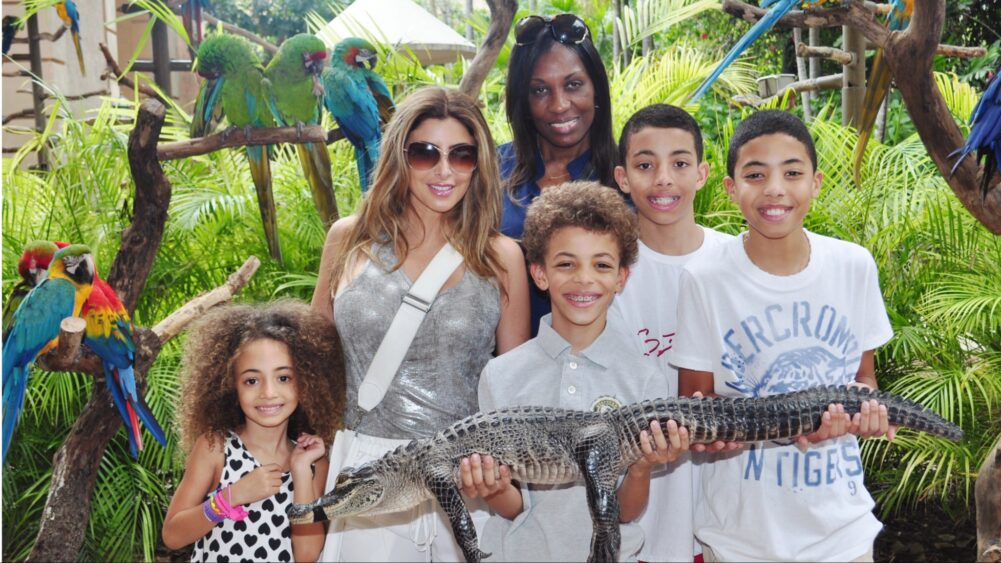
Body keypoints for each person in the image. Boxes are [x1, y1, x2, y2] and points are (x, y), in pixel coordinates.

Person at [310, 86, 530, 561]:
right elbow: (316, 367)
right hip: (368, 477)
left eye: (462, 155)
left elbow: (511, 395)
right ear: (399, 157)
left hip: (466, 479)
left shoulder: (501, 257)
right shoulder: (348, 240)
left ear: (480, 163)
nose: (445, 170)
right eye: (426, 153)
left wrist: (505, 485)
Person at [670, 110, 897, 562]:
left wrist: (861, 413)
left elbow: (864, 379)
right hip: (739, 540)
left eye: (792, 172)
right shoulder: (703, 278)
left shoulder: (853, 265)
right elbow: (692, 407)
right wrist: (709, 434)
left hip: (840, 532)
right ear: (732, 188)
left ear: (816, 181)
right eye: (756, 174)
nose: (774, 188)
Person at [476, 180, 689, 561]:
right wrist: (491, 487)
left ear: (621, 278)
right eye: (566, 263)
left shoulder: (645, 378)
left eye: (601, 264)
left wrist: (641, 468)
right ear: (539, 274)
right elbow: (513, 507)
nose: (584, 279)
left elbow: (626, 512)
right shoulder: (501, 375)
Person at [608, 104, 734, 562]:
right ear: (623, 177)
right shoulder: (606, 276)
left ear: (701, 173)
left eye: (679, 163)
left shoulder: (736, 262)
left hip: (731, 517)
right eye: (646, 165)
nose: (663, 178)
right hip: (646, 521)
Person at [162, 300, 345, 563]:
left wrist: (301, 472)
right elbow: (172, 535)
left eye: (283, 377)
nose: (268, 393)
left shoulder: (314, 462)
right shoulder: (216, 447)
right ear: (230, 387)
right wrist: (231, 497)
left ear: (306, 382)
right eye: (251, 380)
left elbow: (306, 555)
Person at [501, 13, 619, 336]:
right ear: (523, 100)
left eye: (573, 84)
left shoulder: (627, 176)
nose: (559, 104)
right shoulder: (490, 171)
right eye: (539, 90)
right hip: (501, 371)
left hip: (608, 373)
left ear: (597, 88)